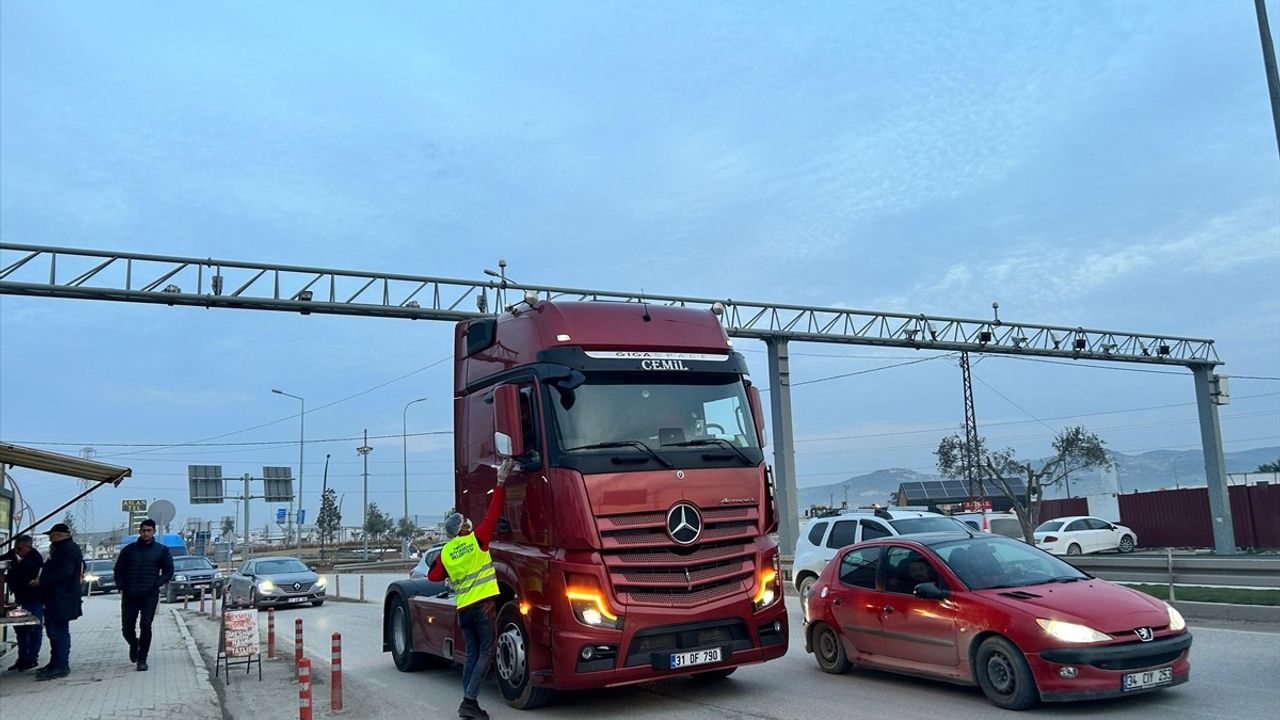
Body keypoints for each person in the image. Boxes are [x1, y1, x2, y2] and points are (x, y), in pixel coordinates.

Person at [428, 458, 512, 720]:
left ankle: (469, 701)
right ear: (462, 528)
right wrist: (500, 481)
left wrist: (450, 576)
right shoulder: (477, 540)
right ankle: (469, 701)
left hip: (464, 608)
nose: (469, 520)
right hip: (483, 606)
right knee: (487, 652)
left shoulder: (446, 551)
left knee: (473, 653)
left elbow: (433, 576)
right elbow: (493, 513)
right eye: (465, 520)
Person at [113, 518, 175, 671]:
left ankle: (142, 659)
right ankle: (134, 644)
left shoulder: (161, 550)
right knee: (127, 628)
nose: (146, 533)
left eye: (149, 530)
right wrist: (121, 585)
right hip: (130, 595)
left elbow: (169, 571)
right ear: (139, 532)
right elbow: (118, 569)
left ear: (153, 531)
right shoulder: (129, 550)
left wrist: (156, 583)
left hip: (149, 594)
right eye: (143, 530)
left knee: (146, 625)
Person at [31, 523, 82, 680]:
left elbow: (65, 571)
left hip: (61, 598)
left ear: (60, 536)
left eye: (52, 536)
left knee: (58, 632)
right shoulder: (64, 548)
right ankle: (55, 663)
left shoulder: (66, 549)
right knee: (55, 631)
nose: (51, 539)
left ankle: (60, 665)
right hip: (58, 597)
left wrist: (42, 581)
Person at [1, 535, 45, 671]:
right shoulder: (12, 555)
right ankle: (22, 659)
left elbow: (24, 574)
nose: (18, 551)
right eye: (16, 548)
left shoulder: (35, 558)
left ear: (29, 547)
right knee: (20, 630)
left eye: (21, 548)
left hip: (33, 598)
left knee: (34, 629)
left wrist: (10, 576)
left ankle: (31, 659)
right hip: (20, 598)